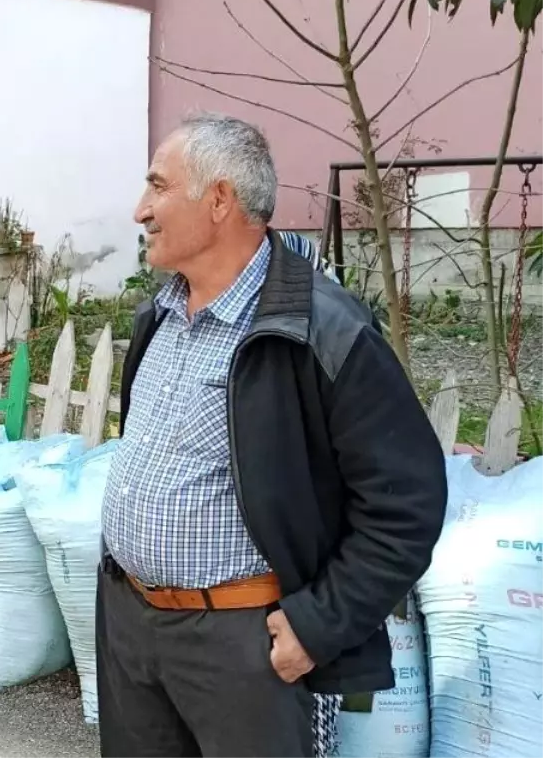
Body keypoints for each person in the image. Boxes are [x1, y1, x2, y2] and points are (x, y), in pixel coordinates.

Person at [97, 113, 447, 758]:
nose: (139, 209)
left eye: (158, 186)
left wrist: (319, 626)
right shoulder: (159, 314)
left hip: (244, 643)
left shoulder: (326, 329)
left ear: (220, 200)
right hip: (131, 626)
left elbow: (407, 503)